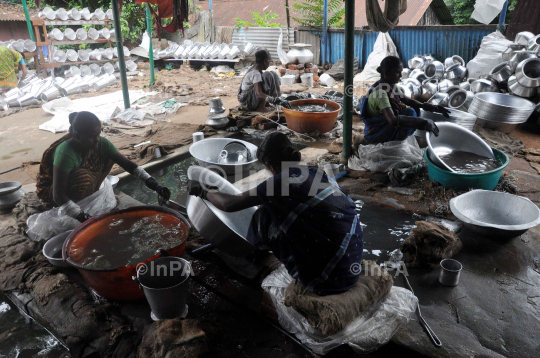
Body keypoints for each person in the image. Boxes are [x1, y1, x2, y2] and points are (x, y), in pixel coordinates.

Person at [188, 132, 363, 296]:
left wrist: (204, 191)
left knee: (264, 217)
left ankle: (261, 253)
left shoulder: (278, 183)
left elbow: (229, 203)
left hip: (327, 279)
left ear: (270, 165)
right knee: (283, 210)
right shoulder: (313, 172)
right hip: (350, 260)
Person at [36, 111, 170, 223]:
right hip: (60, 191)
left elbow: (128, 165)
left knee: (110, 157)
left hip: (87, 185)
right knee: (82, 178)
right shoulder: (65, 152)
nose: (97, 140)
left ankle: (90, 193)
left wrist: (155, 184)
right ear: (77, 135)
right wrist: (82, 217)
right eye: (91, 137)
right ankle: (79, 202)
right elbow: (58, 195)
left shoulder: (100, 144)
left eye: (99, 135)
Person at [360, 56, 450, 144]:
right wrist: (424, 123)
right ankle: (393, 142)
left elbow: (408, 101)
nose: (400, 75)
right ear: (386, 73)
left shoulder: (390, 86)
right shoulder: (380, 93)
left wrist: (431, 107)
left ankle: (397, 140)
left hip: (384, 126)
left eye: (401, 72)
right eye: (397, 72)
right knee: (409, 113)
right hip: (375, 133)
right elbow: (393, 120)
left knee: (415, 109)